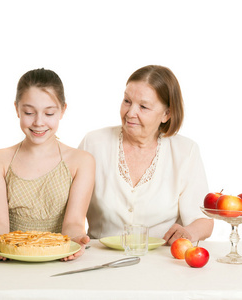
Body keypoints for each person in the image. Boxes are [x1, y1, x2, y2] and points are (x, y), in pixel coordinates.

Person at [79, 65, 213, 245]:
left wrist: (188, 232)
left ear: (167, 114)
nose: (130, 113)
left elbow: (203, 221)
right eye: (127, 101)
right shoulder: (94, 143)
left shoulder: (185, 151)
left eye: (143, 106)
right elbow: (66, 206)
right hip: (101, 258)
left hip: (161, 262)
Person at [0, 68, 95, 260]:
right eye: (29, 112)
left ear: (62, 110)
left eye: (49, 113)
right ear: (16, 108)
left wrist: (76, 239)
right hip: (12, 260)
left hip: (59, 258)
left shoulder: (81, 161)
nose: (38, 122)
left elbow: (74, 222)